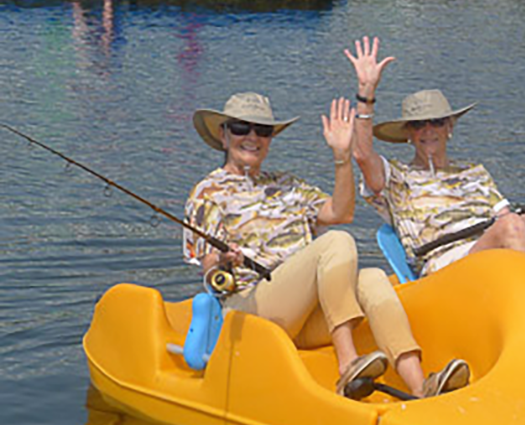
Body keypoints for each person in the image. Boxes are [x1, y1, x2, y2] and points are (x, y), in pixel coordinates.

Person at [184, 91, 470, 398]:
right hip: (249, 311)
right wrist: (226, 261)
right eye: (241, 128)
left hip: (301, 316)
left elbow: (341, 212)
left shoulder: (287, 183)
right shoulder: (206, 193)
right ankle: (347, 363)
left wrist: (342, 157)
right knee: (335, 242)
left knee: (371, 278)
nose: (252, 137)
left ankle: (419, 385)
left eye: (262, 130)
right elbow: (212, 274)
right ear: (223, 135)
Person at [349, 37, 525, 321]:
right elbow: (363, 155)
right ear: (408, 134)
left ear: (449, 127)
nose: (428, 130)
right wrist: (366, 92)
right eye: (418, 124)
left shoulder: (475, 172)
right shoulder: (397, 176)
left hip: (499, 257)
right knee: (508, 227)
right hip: (446, 272)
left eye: (436, 122)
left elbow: (514, 228)